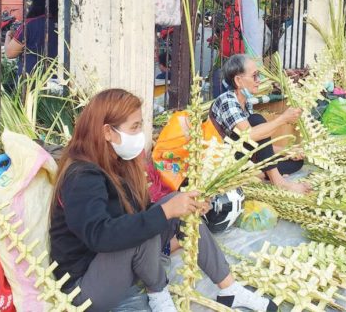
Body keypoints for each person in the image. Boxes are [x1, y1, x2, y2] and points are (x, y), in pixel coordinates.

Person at [49, 89, 277, 312]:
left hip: (113, 264)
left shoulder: (116, 163)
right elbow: (100, 235)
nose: (140, 134)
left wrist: (181, 208)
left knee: (179, 203)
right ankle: (158, 294)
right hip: (84, 287)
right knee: (146, 226)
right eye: (134, 127)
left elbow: (142, 213)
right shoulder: (82, 176)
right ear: (108, 132)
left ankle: (229, 288)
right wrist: (164, 213)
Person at [209, 54, 309, 194]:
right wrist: (283, 119)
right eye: (255, 76)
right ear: (238, 80)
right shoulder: (227, 101)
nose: (258, 81)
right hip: (223, 162)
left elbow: (260, 144)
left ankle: (254, 175)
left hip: (244, 157)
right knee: (257, 121)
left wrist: (286, 151)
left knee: (295, 162)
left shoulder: (246, 102)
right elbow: (249, 136)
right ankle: (278, 182)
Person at [5, 0, 58, 76]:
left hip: (31, 80)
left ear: (34, 3)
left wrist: (8, 34)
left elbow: (10, 53)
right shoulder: (63, 22)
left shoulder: (29, 25)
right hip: (56, 77)